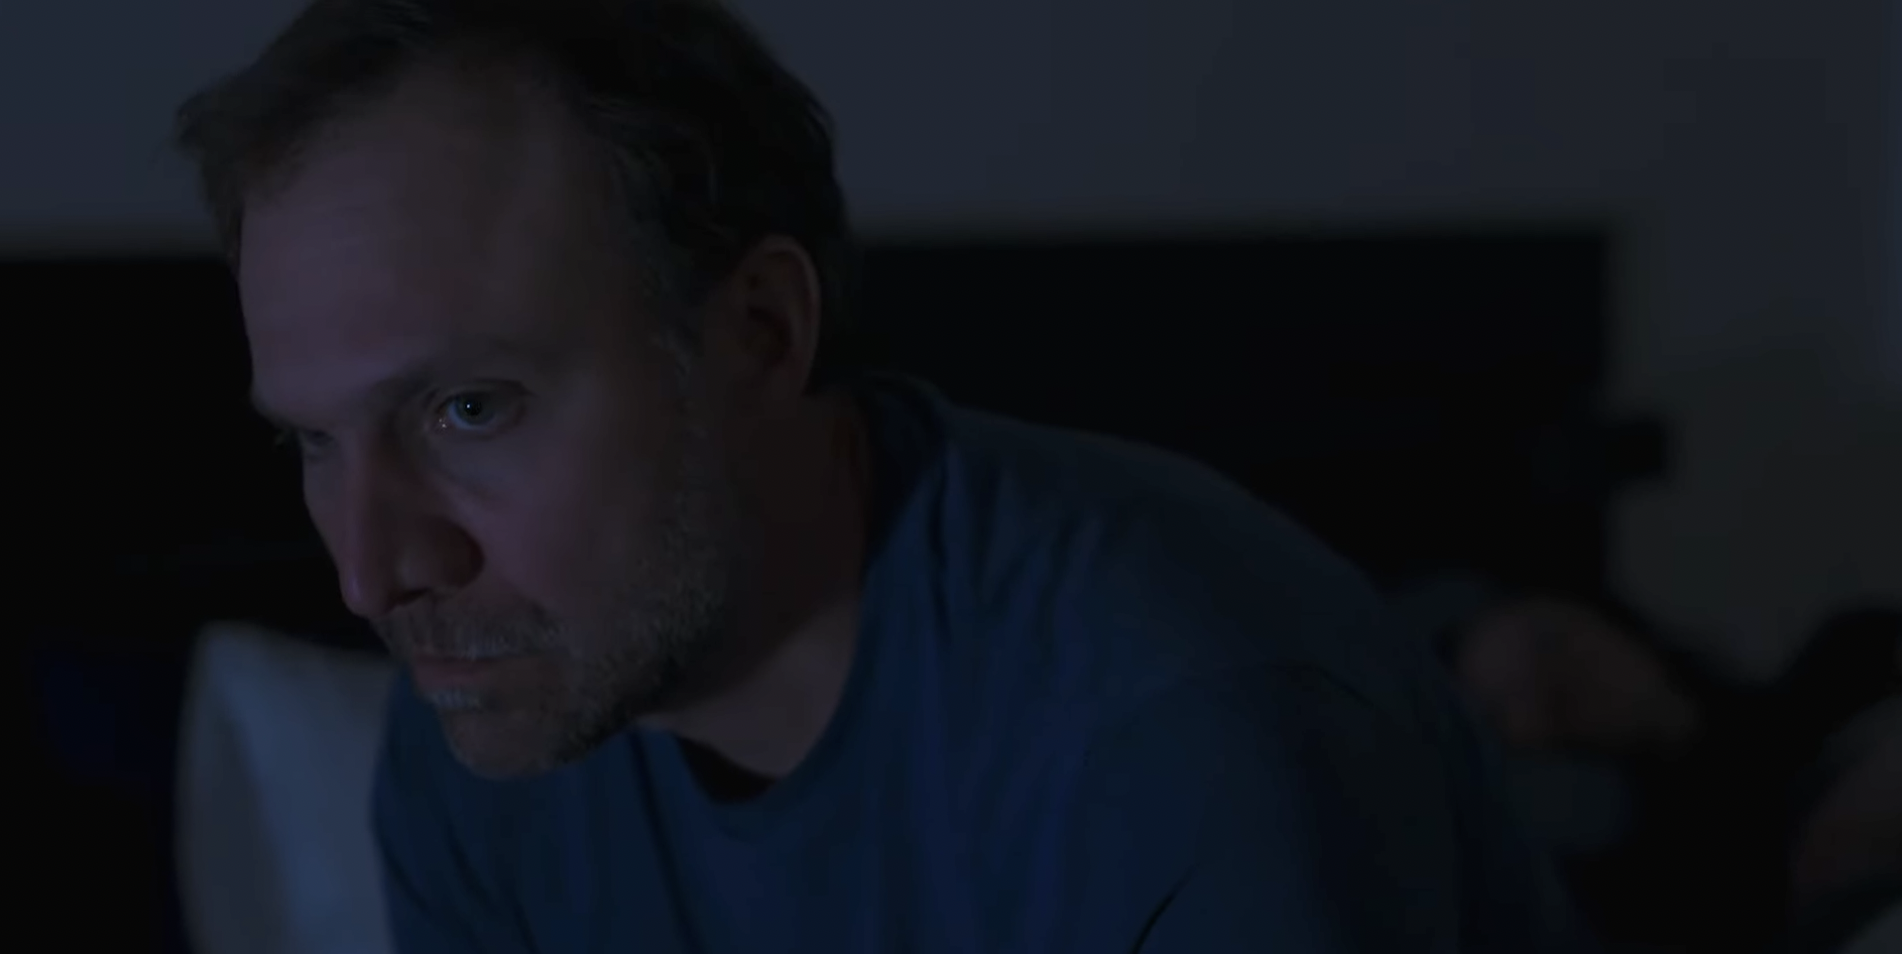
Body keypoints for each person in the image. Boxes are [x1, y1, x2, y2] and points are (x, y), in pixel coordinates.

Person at [173, 1, 1586, 950]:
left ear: (759, 332)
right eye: (312, 439)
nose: (375, 570)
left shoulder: (1178, 723)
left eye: (470, 408)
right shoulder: (488, 712)